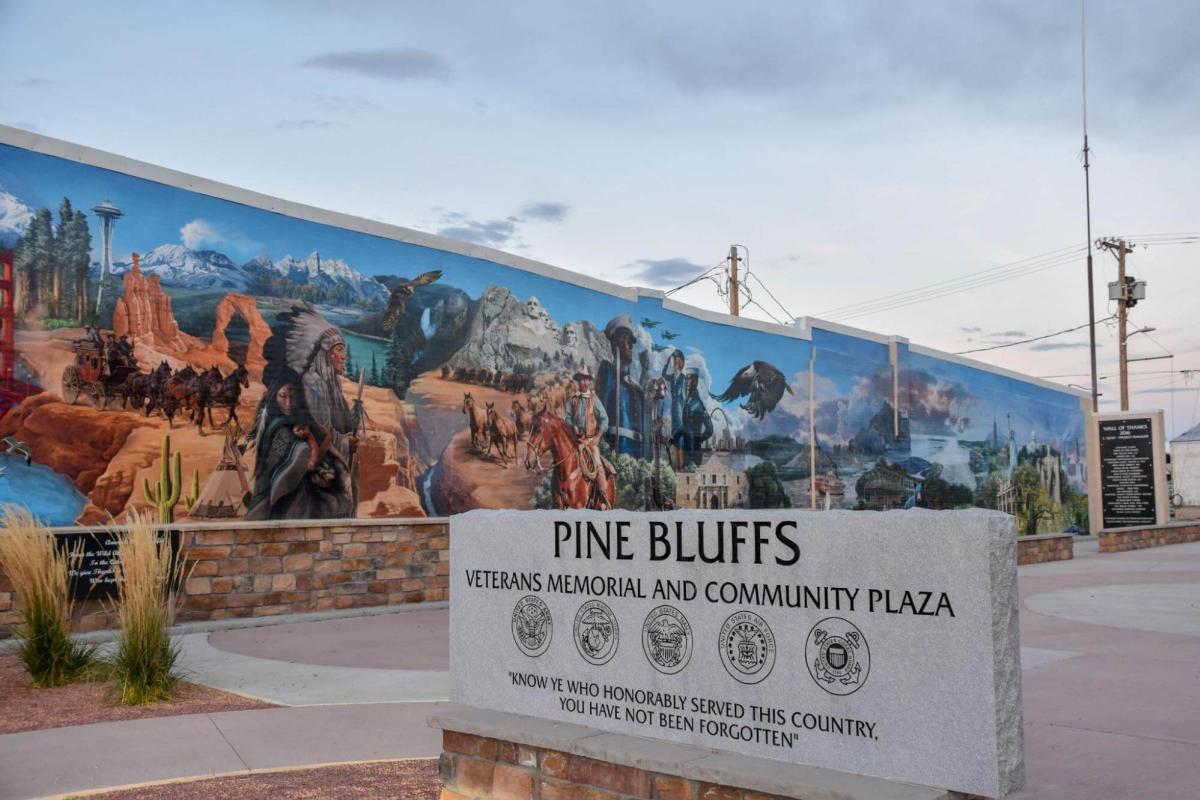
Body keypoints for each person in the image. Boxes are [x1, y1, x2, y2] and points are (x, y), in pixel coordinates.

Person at [246, 308, 358, 520]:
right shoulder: (310, 387)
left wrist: (347, 431)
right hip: (305, 488)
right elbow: (315, 436)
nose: (344, 356)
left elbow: (328, 430)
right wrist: (343, 443)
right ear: (325, 353)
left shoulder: (328, 385)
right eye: (340, 349)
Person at [596, 315, 646, 458]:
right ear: (615, 342)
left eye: (632, 341)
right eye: (626, 339)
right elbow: (599, 414)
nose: (630, 345)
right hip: (616, 448)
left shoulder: (637, 387)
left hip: (638, 452)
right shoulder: (607, 372)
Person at [565, 371, 608, 479]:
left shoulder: (594, 399)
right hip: (576, 440)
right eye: (582, 380)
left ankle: (603, 493)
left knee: (598, 465)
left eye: (586, 380)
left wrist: (597, 437)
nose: (584, 382)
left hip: (590, 441)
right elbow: (567, 418)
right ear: (578, 382)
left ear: (589, 382)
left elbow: (604, 419)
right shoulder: (573, 399)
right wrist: (572, 425)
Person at [674, 369, 714, 468]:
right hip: (687, 451)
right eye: (686, 379)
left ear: (695, 381)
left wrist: (697, 440)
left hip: (693, 454)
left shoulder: (697, 404)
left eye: (688, 379)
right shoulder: (689, 401)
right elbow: (685, 426)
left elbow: (710, 429)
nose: (686, 382)